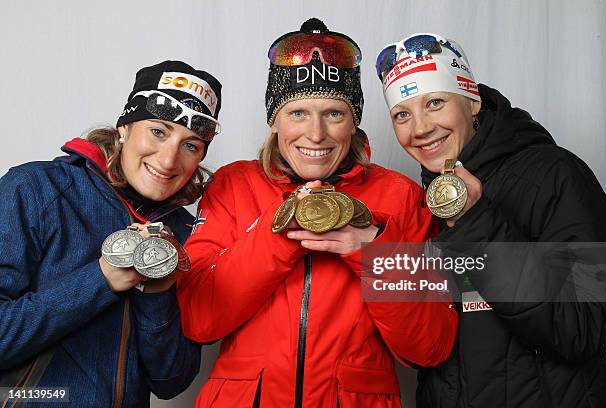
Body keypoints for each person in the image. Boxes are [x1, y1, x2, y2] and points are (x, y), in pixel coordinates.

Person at [177, 18, 458, 408]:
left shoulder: (400, 196)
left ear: (353, 121)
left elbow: (429, 348)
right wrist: (279, 235)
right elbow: (198, 319)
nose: (315, 134)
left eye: (334, 114)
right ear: (273, 121)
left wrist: (374, 254)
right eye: (297, 114)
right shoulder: (233, 185)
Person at [376, 33, 606, 407]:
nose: (419, 128)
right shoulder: (418, 203)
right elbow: (423, 347)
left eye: (435, 102)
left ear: (473, 102)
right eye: (402, 114)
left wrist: (474, 223)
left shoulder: (558, 174)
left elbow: (586, 328)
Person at [0, 60, 222, 407]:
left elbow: (171, 381)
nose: (167, 160)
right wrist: (102, 279)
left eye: (190, 145)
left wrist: (158, 293)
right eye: (158, 132)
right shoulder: (35, 190)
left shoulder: (188, 235)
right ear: (124, 128)